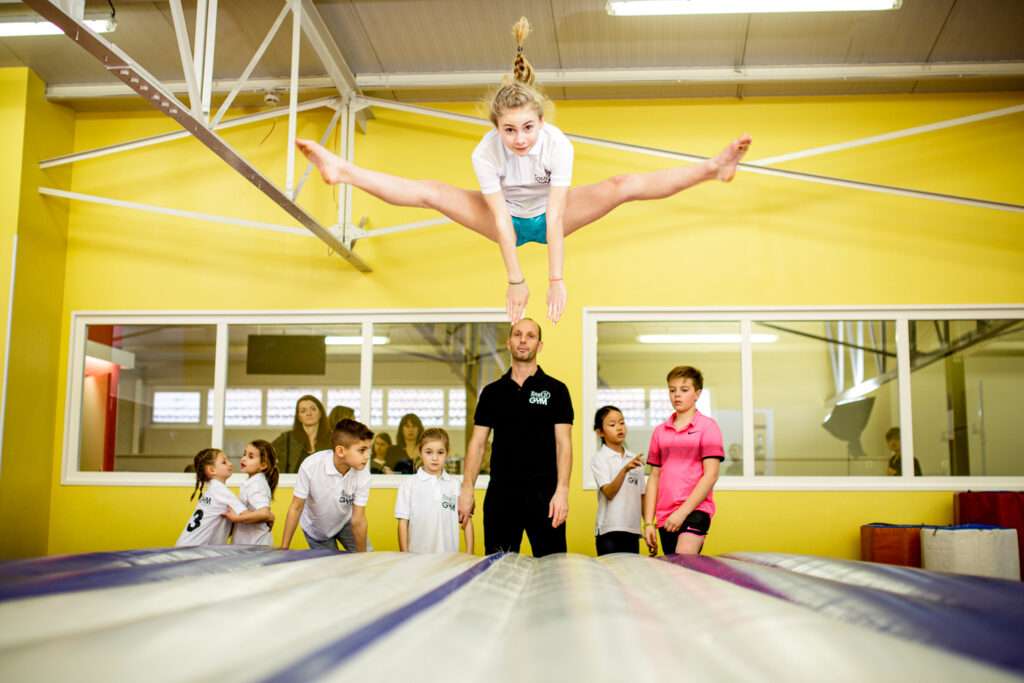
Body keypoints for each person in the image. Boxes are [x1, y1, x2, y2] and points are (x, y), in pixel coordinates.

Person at [296, 17, 751, 325]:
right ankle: (343, 170)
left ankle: (712, 168)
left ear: (542, 120)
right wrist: (515, 280)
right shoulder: (486, 152)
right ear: (496, 127)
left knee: (621, 185)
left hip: (553, 215)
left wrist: (555, 279)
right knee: (432, 191)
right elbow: (497, 221)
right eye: (509, 130)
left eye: (528, 127)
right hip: (507, 219)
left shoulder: (557, 145)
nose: (520, 139)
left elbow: (555, 216)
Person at [458, 318, 573, 557]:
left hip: (545, 496)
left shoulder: (556, 390)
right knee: (499, 572)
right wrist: (467, 489)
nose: (523, 340)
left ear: (539, 345)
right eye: (518, 334)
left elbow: (563, 445)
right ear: (508, 342)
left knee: (553, 573)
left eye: (530, 336)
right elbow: (478, 444)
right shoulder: (492, 393)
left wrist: (562, 491)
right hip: (502, 495)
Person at [642, 366, 724, 556]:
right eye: (672, 390)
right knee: (674, 573)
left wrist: (682, 513)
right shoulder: (660, 432)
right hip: (665, 516)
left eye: (684, 390)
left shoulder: (708, 427)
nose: (677, 395)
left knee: (683, 563)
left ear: (697, 393)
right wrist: (648, 522)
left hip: (696, 510)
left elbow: (711, 475)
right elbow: (654, 477)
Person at [279, 418, 374, 552]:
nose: (367, 456)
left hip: (344, 523)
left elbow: (358, 519)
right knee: (329, 568)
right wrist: (284, 547)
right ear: (340, 451)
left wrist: (363, 556)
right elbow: (296, 508)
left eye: (368, 450)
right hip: (317, 530)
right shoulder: (310, 466)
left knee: (367, 557)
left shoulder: (362, 473)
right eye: (362, 450)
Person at [394, 428, 474, 554]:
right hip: (417, 558)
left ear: (447, 453)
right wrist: (405, 555)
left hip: (449, 558)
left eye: (440, 452)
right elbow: (403, 523)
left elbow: (467, 522)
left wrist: (469, 554)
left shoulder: (455, 485)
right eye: (429, 452)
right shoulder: (409, 485)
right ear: (420, 452)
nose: (435, 458)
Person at [592, 405, 649, 556]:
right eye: (612, 424)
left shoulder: (634, 459)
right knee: (610, 578)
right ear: (600, 432)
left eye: (622, 422)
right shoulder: (600, 458)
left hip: (632, 531)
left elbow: (642, 496)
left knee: (629, 578)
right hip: (608, 531)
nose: (619, 428)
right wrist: (624, 470)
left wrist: (648, 526)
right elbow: (609, 492)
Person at [176, 448, 247, 547]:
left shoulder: (212, 490)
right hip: (194, 549)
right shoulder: (221, 491)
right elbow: (245, 514)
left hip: (185, 544)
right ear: (211, 470)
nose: (230, 464)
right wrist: (267, 516)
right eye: (224, 462)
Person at [225, 440, 279, 546]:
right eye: (244, 454)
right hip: (248, 544)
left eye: (251, 456)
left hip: (256, 545)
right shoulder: (251, 482)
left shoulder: (257, 484)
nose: (244, 458)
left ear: (263, 465)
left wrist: (236, 518)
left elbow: (264, 513)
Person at [272, 394, 332, 474]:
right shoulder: (287, 438)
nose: (309, 413)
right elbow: (263, 453)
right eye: (303, 411)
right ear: (299, 417)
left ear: (320, 413)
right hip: (293, 484)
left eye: (313, 409)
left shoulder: (334, 438)